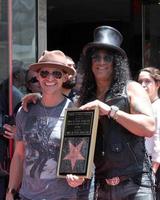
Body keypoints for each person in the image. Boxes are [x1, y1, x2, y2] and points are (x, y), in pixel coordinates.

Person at [77, 26, 156, 200]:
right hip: (101, 186)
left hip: (135, 185)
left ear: (116, 62)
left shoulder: (131, 89)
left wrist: (112, 111)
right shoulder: (84, 98)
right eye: (96, 57)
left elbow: (149, 127)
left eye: (107, 57)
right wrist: (35, 96)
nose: (101, 62)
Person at [6, 50, 84, 200]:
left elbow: (81, 159)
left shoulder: (75, 112)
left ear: (65, 77)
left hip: (62, 196)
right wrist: (11, 191)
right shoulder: (25, 110)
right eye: (44, 73)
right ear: (37, 75)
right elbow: (19, 155)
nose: (50, 78)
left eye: (56, 74)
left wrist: (79, 178)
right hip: (27, 196)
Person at [138, 67, 160, 200]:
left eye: (147, 81)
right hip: (143, 164)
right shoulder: (142, 107)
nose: (143, 85)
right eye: (140, 81)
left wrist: (154, 169)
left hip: (154, 166)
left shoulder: (158, 107)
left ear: (157, 84)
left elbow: (159, 138)